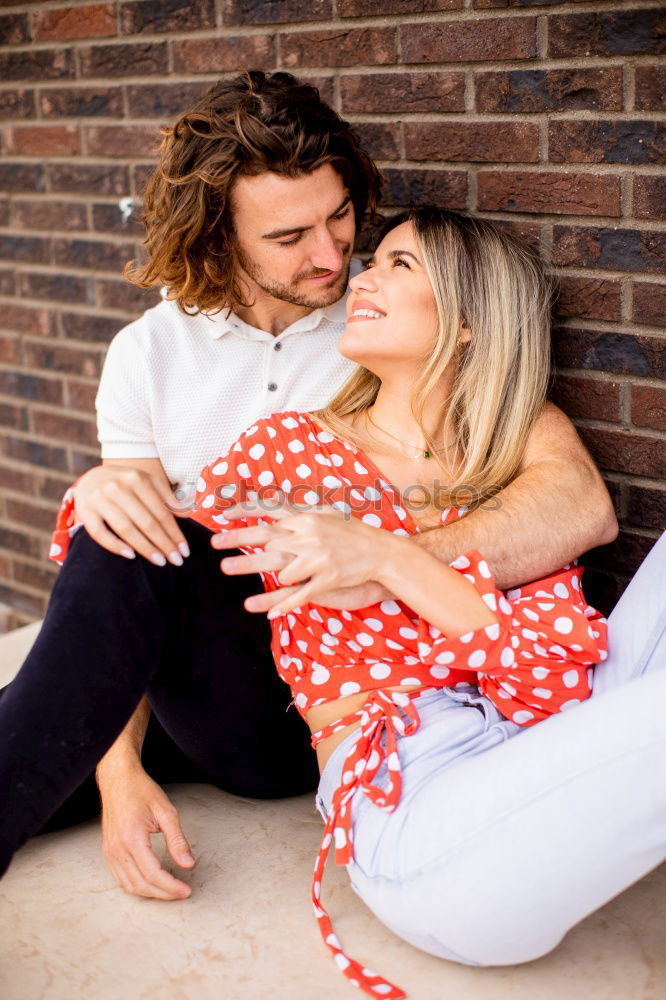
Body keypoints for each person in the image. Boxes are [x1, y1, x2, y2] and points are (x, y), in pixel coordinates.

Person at [0, 72, 617, 897]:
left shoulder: (393, 320)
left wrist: (382, 560)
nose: (332, 257)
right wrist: (119, 778)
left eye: (340, 217)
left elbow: (578, 503)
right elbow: (128, 572)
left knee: (41, 716)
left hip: (335, 703)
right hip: (213, 682)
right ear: (218, 238)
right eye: (290, 236)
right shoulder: (147, 355)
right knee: (98, 573)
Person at [188, 209, 666, 999]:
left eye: (398, 265)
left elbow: (583, 529)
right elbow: (158, 586)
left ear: (471, 323)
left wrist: (387, 557)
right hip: (420, 802)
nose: (360, 277)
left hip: (554, 725)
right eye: (370, 261)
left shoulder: (513, 439)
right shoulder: (282, 451)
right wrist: (118, 773)